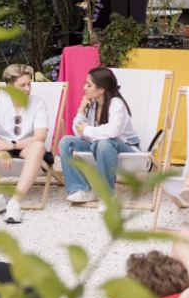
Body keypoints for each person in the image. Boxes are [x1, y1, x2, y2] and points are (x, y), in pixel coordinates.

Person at [0, 64, 49, 224]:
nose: (28, 89)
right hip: (1, 149)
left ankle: (15, 202)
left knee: (38, 147)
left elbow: (40, 136)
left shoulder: (38, 104)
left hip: (25, 149)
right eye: (22, 85)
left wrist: (12, 145)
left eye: (29, 84)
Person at [58, 67, 140, 206]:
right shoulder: (93, 104)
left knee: (103, 143)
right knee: (66, 142)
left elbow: (112, 131)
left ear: (101, 89)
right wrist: (82, 110)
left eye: (89, 85)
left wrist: (87, 130)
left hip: (126, 150)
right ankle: (80, 189)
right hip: (100, 148)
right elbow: (79, 131)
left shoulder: (116, 104)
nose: (84, 88)